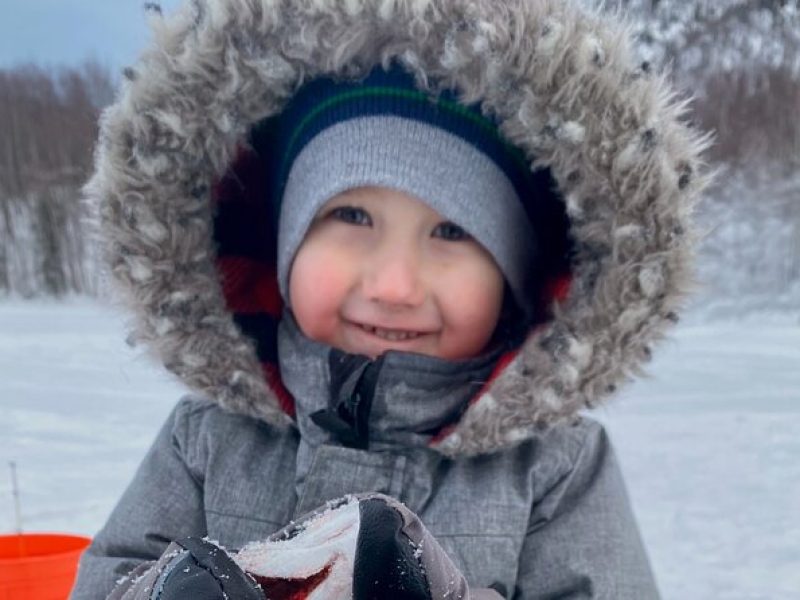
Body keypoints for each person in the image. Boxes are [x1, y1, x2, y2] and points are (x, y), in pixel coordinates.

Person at [70, 0, 710, 598]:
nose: (394, 285)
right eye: (352, 215)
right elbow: (110, 577)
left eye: (452, 232)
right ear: (284, 245)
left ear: (515, 275)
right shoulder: (206, 439)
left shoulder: (557, 467)